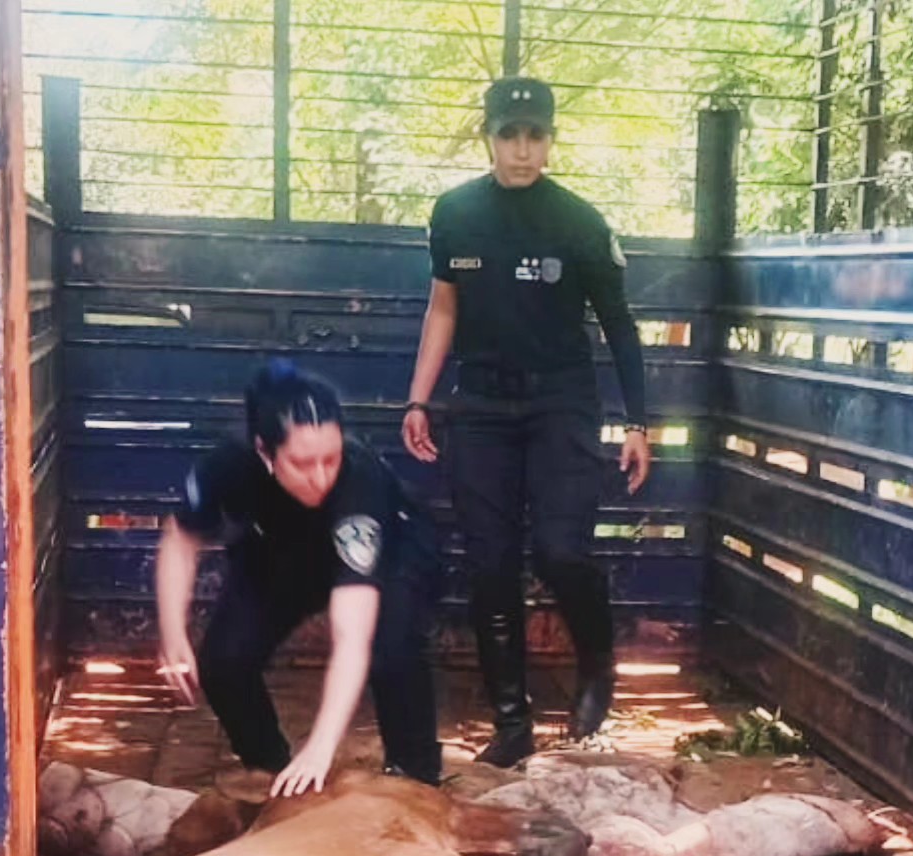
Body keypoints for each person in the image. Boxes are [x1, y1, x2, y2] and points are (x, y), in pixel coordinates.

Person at [403, 75, 652, 768]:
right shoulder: (455, 213)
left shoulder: (579, 221)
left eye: (534, 135)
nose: (521, 149)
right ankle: (512, 723)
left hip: (560, 402)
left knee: (559, 551)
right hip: (480, 404)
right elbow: (443, 307)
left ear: (550, 139)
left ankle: (596, 664)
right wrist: (418, 399)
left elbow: (619, 326)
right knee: (489, 567)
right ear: (488, 136)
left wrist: (639, 422)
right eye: (508, 135)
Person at [157, 361, 442, 797]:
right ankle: (273, 775)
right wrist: (173, 631)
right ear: (264, 452)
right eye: (302, 463)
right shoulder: (226, 466)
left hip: (391, 550)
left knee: (392, 648)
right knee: (224, 661)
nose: (321, 476)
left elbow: (352, 638)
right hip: (283, 548)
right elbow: (181, 538)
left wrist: (322, 746)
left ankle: (416, 779)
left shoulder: (357, 484)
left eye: (331, 458)